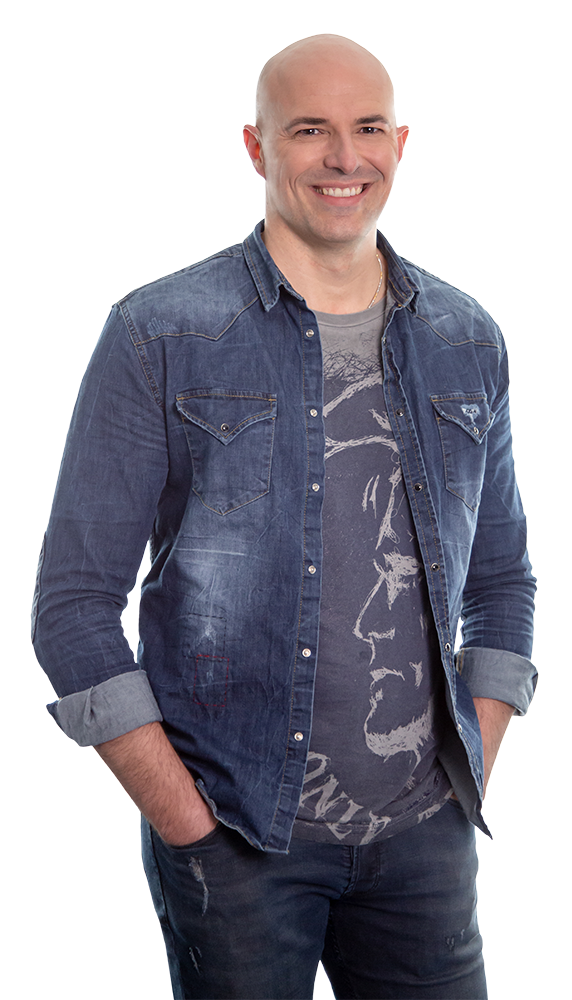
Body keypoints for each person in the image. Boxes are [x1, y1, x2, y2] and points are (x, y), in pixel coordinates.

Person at [31, 33, 537, 1000]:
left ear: (400, 144)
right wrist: (188, 826)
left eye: (369, 128)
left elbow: (503, 578)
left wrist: (470, 756)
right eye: (310, 130)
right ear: (257, 146)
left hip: (426, 840)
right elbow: (74, 608)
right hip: (236, 840)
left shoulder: (465, 337)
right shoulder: (160, 333)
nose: (345, 157)